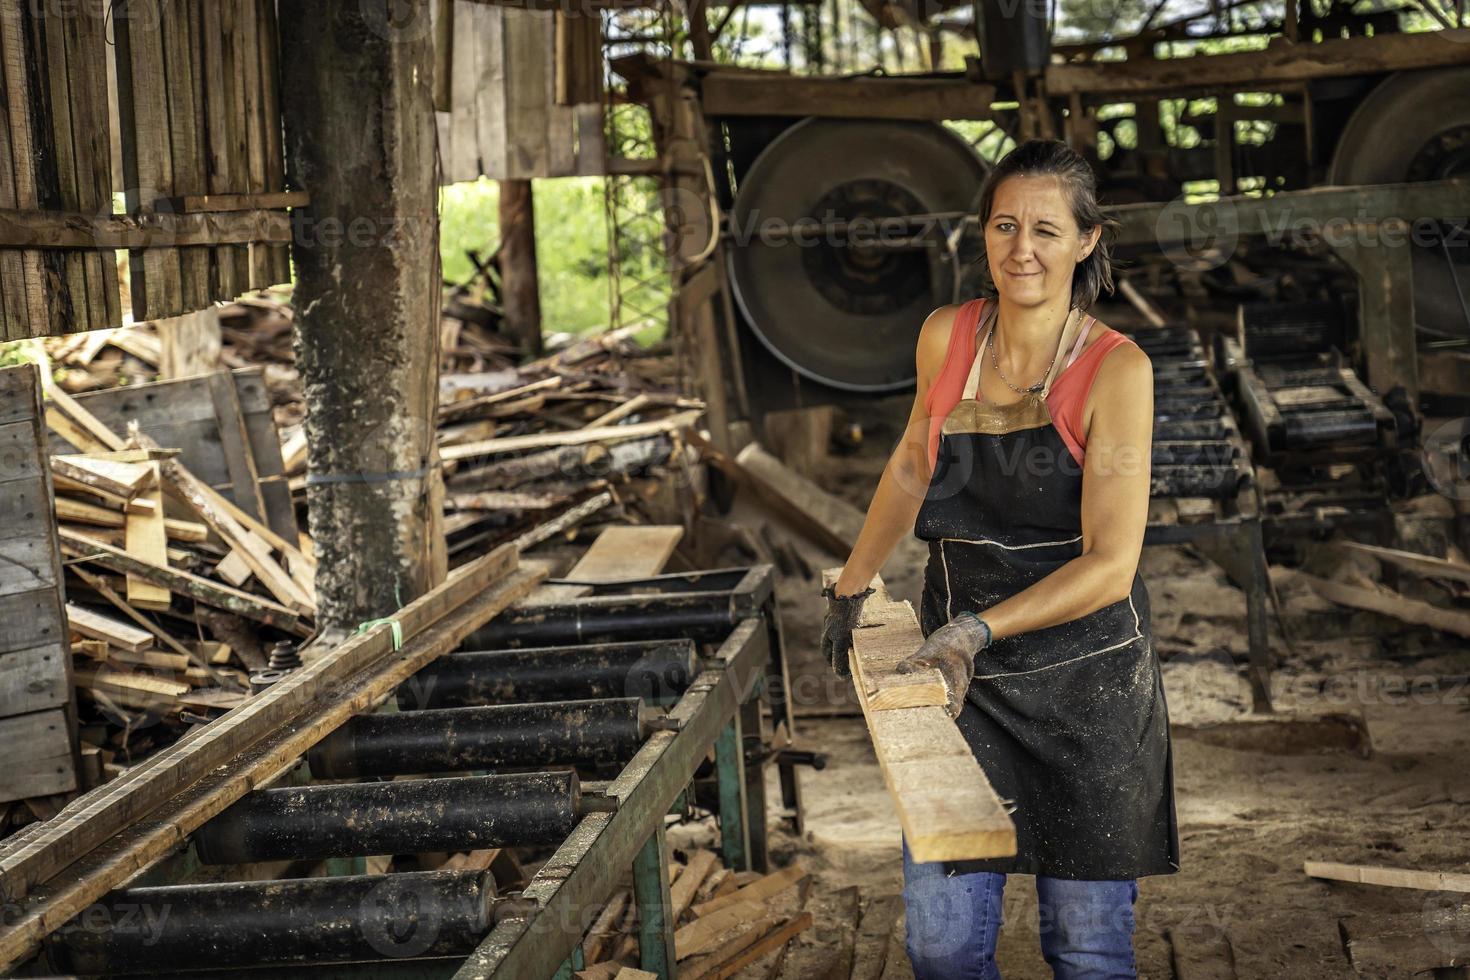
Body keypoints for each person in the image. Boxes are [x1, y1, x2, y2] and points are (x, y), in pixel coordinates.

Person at [820, 138, 1180, 979]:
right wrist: (850, 583)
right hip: (962, 688)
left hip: (1088, 684)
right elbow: (912, 465)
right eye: (1006, 226)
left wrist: (976, 631)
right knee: (943, 948)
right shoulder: (948, 338)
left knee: (1087, 952)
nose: (1024, 249)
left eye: (1048, 231)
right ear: (981, 234)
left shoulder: (1115, 370)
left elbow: (1110, 565)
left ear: (1089, 240)